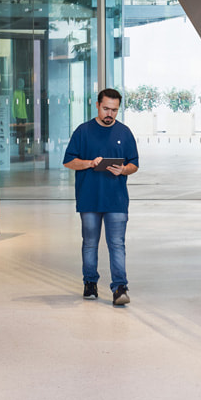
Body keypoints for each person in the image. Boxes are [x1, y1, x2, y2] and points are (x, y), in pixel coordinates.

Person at [63, 88, 139, 305]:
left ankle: (120, 288)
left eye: (114, 110)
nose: (110, 114)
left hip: (116, 200)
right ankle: (90, 283)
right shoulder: (83, 131)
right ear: (97, 105)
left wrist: (123, 170)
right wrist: (90, 163)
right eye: (106, 108)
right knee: (89, 244)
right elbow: (69, 161)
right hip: (89, 198)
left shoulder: (124, 133)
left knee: (117, 244)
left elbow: (134, 164)